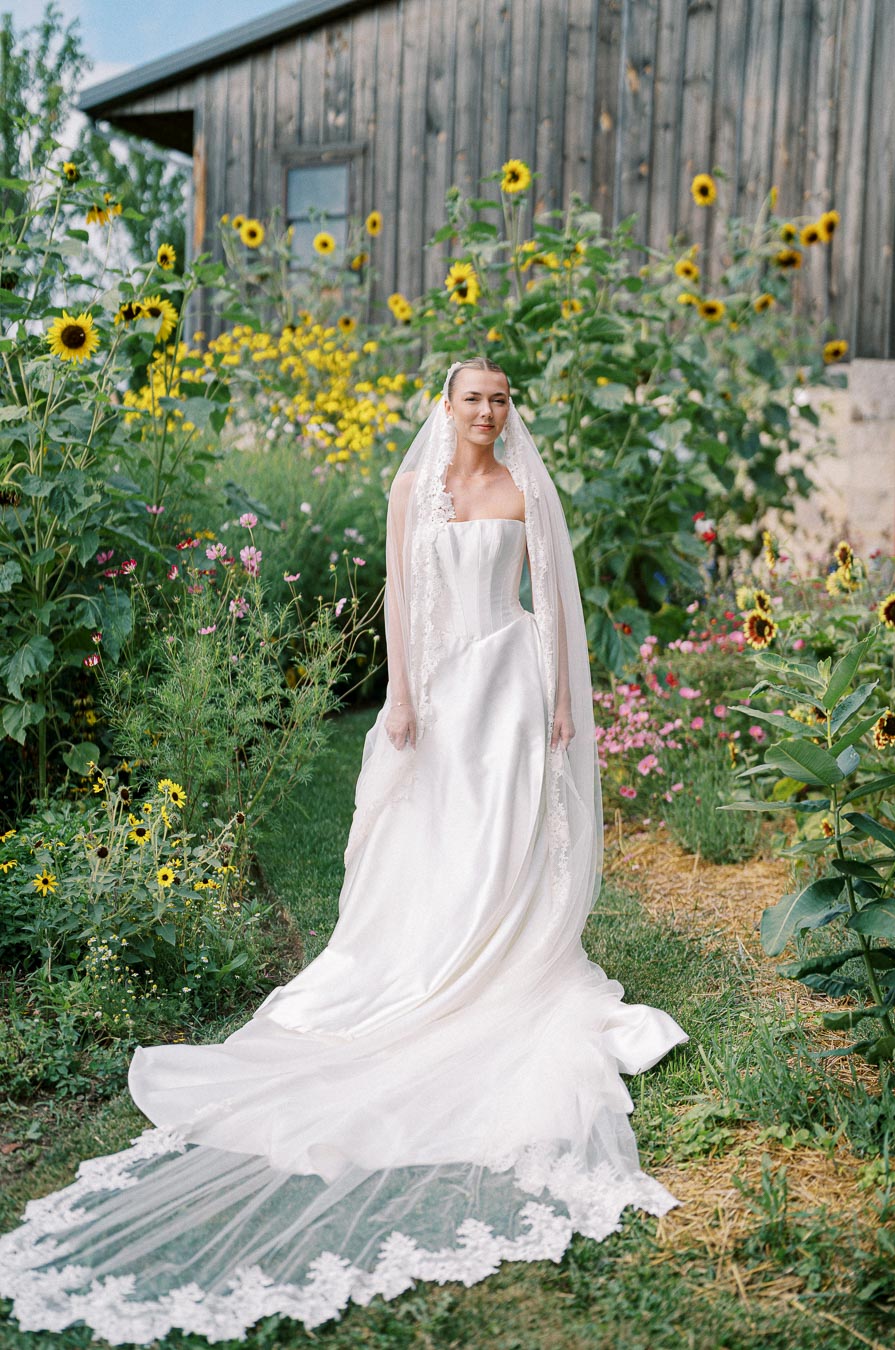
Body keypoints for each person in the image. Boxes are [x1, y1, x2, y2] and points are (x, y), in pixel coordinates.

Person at [0, 357, 688, 1342]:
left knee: (503, 828)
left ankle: (504, 945)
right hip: (445, 685)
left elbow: (553, 603)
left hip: (508, 680)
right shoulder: (415, 485)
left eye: (501, 399)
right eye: (473, 398)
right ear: (446, 407)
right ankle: (434, 954)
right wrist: (402, 693)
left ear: (508, 410)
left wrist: (561, 700)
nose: (489, 412)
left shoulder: (523, 487)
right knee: (435, 833)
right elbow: (401, 596)